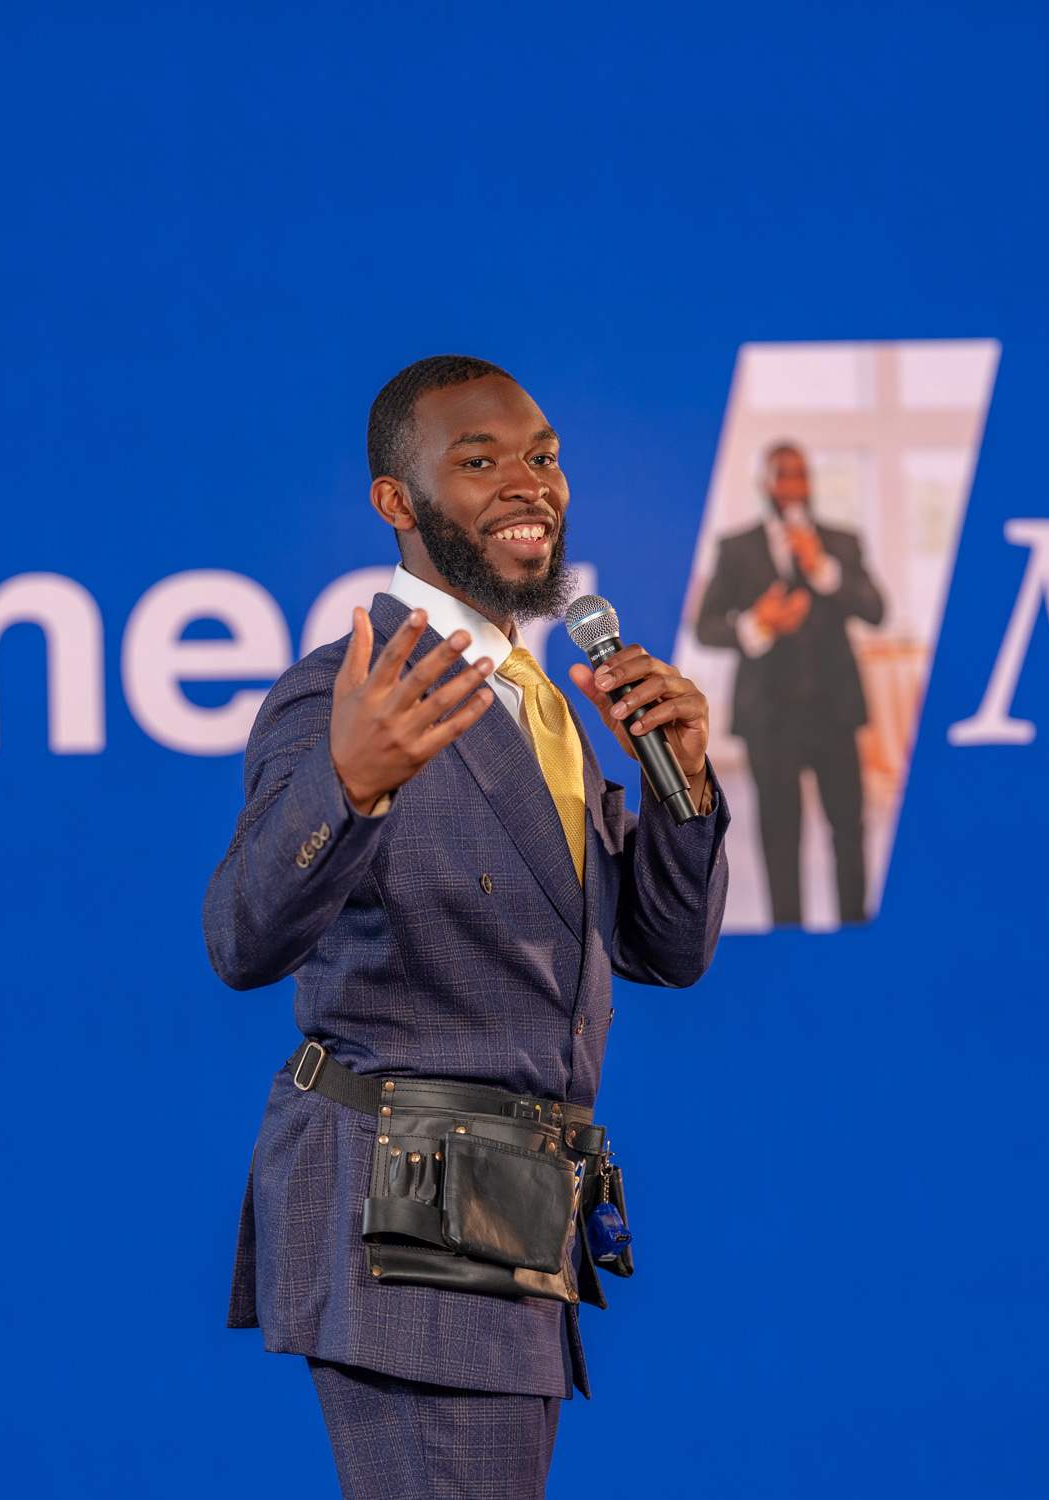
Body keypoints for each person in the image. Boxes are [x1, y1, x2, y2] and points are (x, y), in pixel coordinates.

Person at [204, 355, 730, 1499]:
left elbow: (665, 950)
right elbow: (240, 938)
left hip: (510, 1216)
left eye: (541, 456)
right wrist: (346, 784)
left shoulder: (544, 701)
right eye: (479, 462)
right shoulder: (345, 693)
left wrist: (682, 789)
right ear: (396, 501)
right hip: (404, 1223)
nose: (526, 483)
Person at [694, 443, 884, 927]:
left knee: (849, 827)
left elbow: (876, 611)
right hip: (769, 716)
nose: (794, 487)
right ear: (765, 483)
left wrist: (823, 570)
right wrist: (758, 623)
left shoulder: (841, 543)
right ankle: (787, 936)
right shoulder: (736, 548)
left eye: (801, 476)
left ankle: (854, 928)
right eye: (784, 476)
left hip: (834, 711)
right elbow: (705, 627)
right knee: (780, 833)